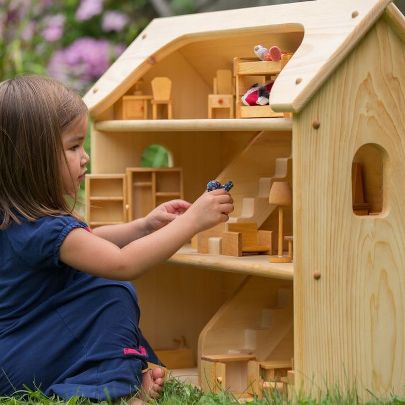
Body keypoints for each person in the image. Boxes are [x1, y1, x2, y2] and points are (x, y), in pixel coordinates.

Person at [0, 75, 234, 403]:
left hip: (16, 355)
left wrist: (143, 226)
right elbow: (123, 264)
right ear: (32, 160)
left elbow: (88, 241)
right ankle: (110, 387)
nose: (85, 157)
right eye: (73, 147)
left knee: (96, 287)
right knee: (110, 290)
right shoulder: (46, 230)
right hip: (22, 362)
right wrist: (193, 221)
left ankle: (116, 375)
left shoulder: (19, 221)